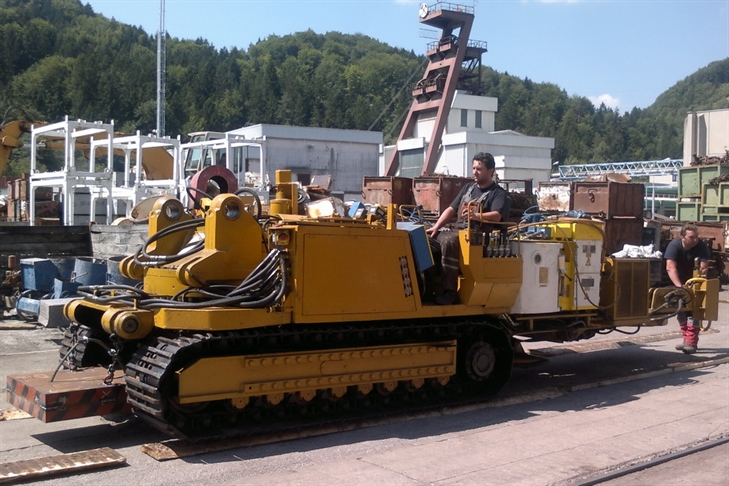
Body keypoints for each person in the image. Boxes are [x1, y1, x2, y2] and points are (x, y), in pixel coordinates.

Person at [426, 152, 509, 305]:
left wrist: (476, 216)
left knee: (449, 241)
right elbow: (451, 209)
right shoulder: (467, 188)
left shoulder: (498, 193)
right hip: (457, 229)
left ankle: (449, 292)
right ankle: (427, 285)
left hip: (477, 235)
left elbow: (497, 215)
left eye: (479, 169)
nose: (474, 172)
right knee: (425, 240)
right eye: (473, 168)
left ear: (490, 171)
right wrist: (436, 227)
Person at [664, 224, 711, 354]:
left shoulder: (701, 246)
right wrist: (679, 286)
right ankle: (686, 339)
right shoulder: (675, 246)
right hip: (678, 281)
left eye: (696, 237)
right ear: (682, 237)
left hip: (695, 283)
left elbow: (704, 267)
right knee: (680, 311)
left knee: (694, 311)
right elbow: (670, 267)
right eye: (691, 237)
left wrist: (696, 283)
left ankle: (691, 342)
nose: (695, 240)